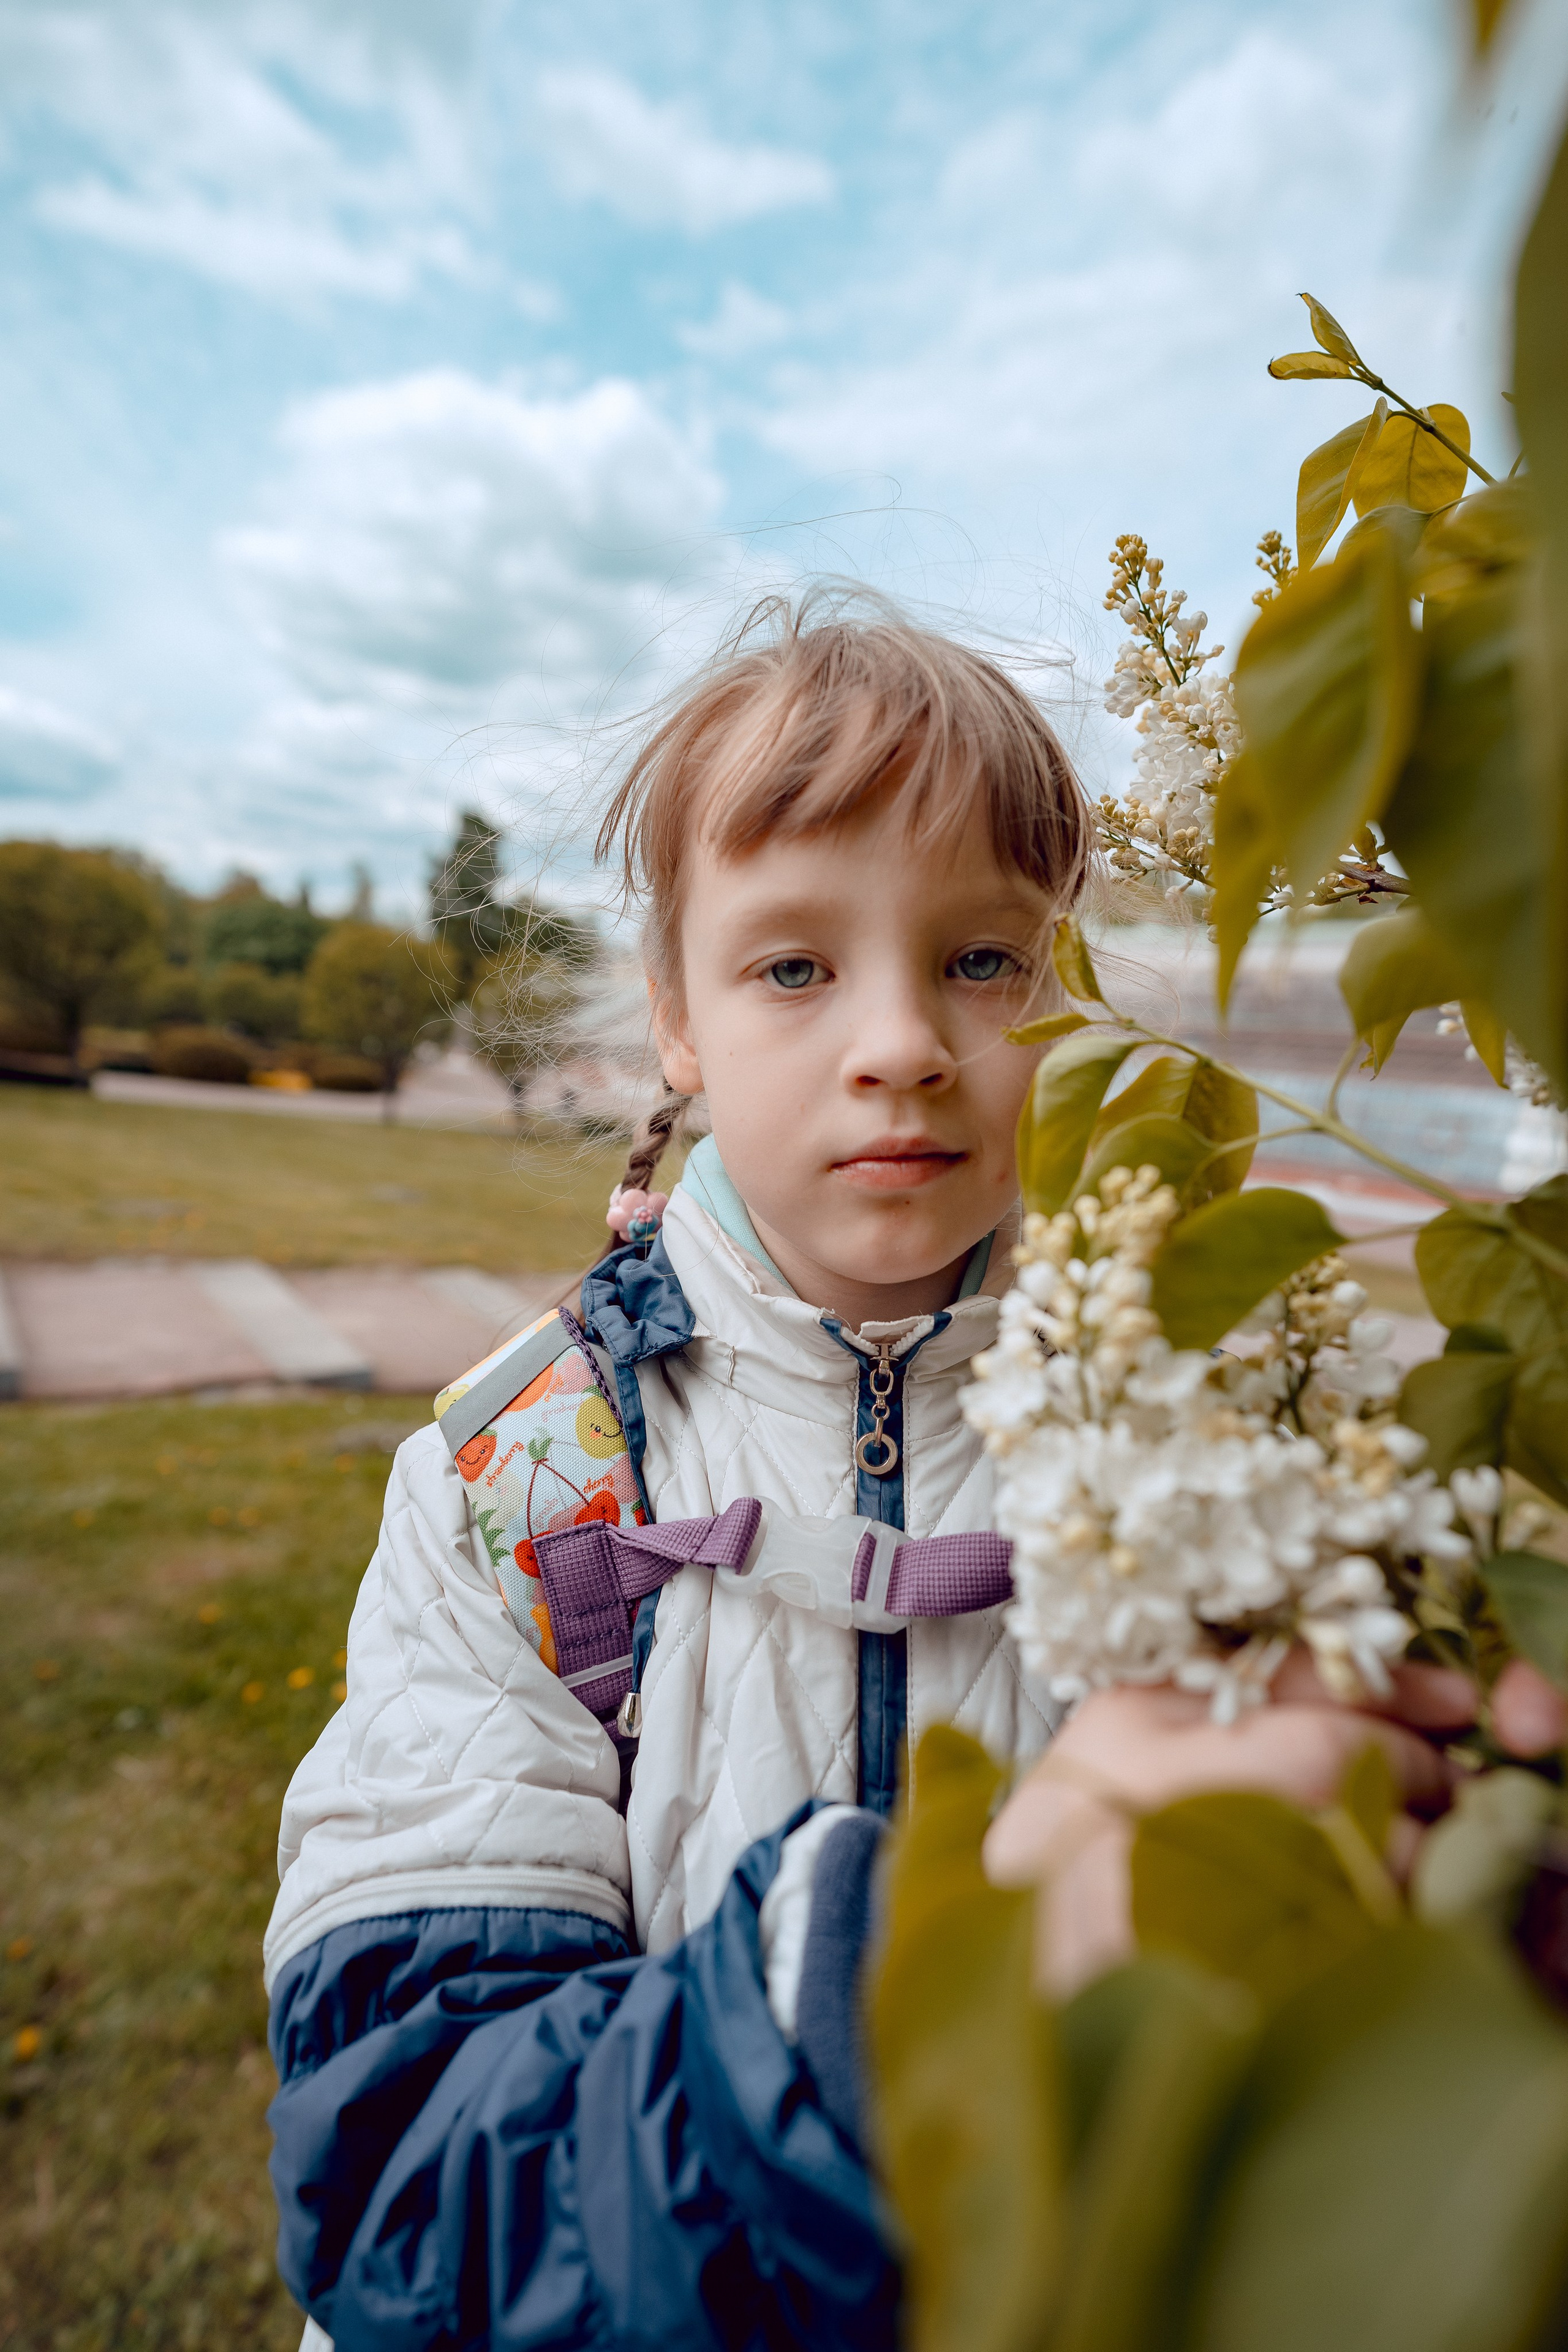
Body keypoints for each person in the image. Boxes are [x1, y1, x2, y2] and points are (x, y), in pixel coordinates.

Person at [264, 595, 1498, 2352]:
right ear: (675, 1020)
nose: (904, 1040)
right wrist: (873, 2009)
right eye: (794, 966)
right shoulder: (516, 1485)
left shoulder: (1219, 1427)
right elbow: (409, 2182)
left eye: (983, 960)